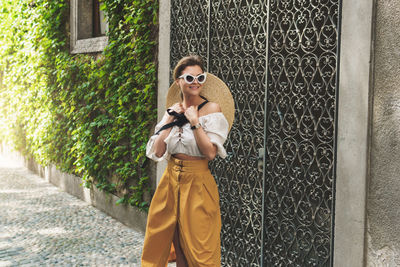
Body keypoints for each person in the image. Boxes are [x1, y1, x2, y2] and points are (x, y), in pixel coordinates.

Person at [141, 55, 235, 267]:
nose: (195, 82)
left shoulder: (212, 110)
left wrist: (195, 123)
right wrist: (169, 120)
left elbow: (210, 153)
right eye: (190, 77)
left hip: (198, 184)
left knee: (201, 250)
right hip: (170, 182)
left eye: (200, 77)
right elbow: (157, 152)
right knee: (171, 242)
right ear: (178, 81)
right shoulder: (173, 110)